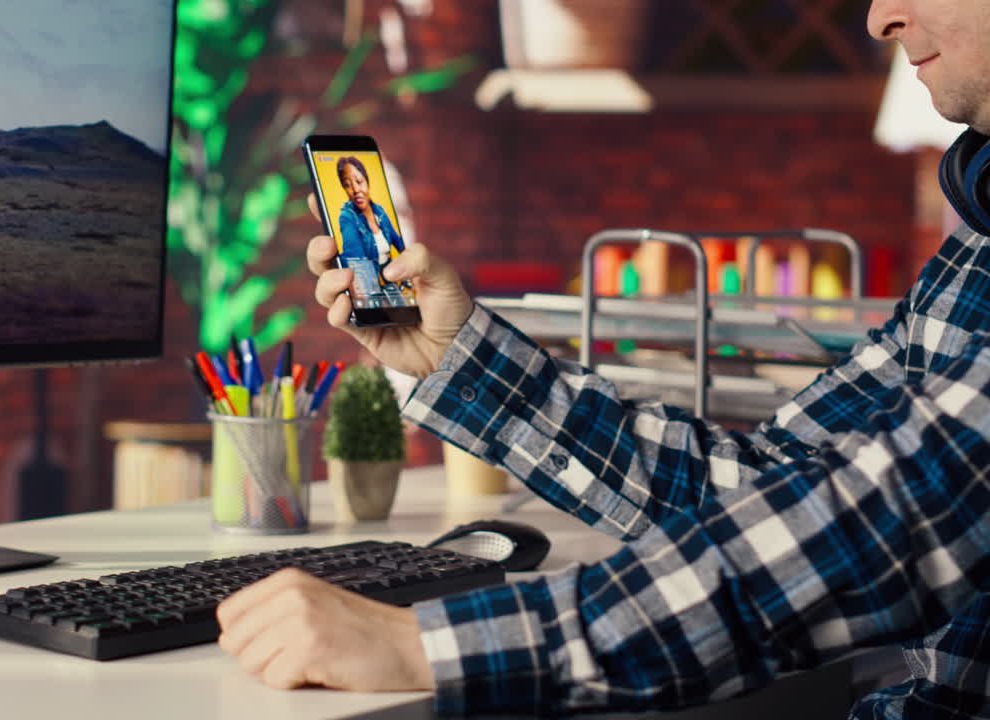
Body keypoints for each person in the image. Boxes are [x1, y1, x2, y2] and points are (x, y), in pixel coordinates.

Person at [216, 1, 990, 716]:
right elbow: (771, 487)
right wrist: (459, 359)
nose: (878, 16)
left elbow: (889, 517)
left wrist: (423, 646)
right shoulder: (971, 262)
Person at [335, 156, 407, 301]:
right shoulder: (347, 217)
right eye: (347, 185)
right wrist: (367, 287)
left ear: (367, 181)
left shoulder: (379, 211)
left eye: (359, 181)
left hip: (388, 272)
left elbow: (396, 240)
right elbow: (354, 252)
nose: (355, 190)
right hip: (369, 278)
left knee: (399, 301)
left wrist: (409, 266)